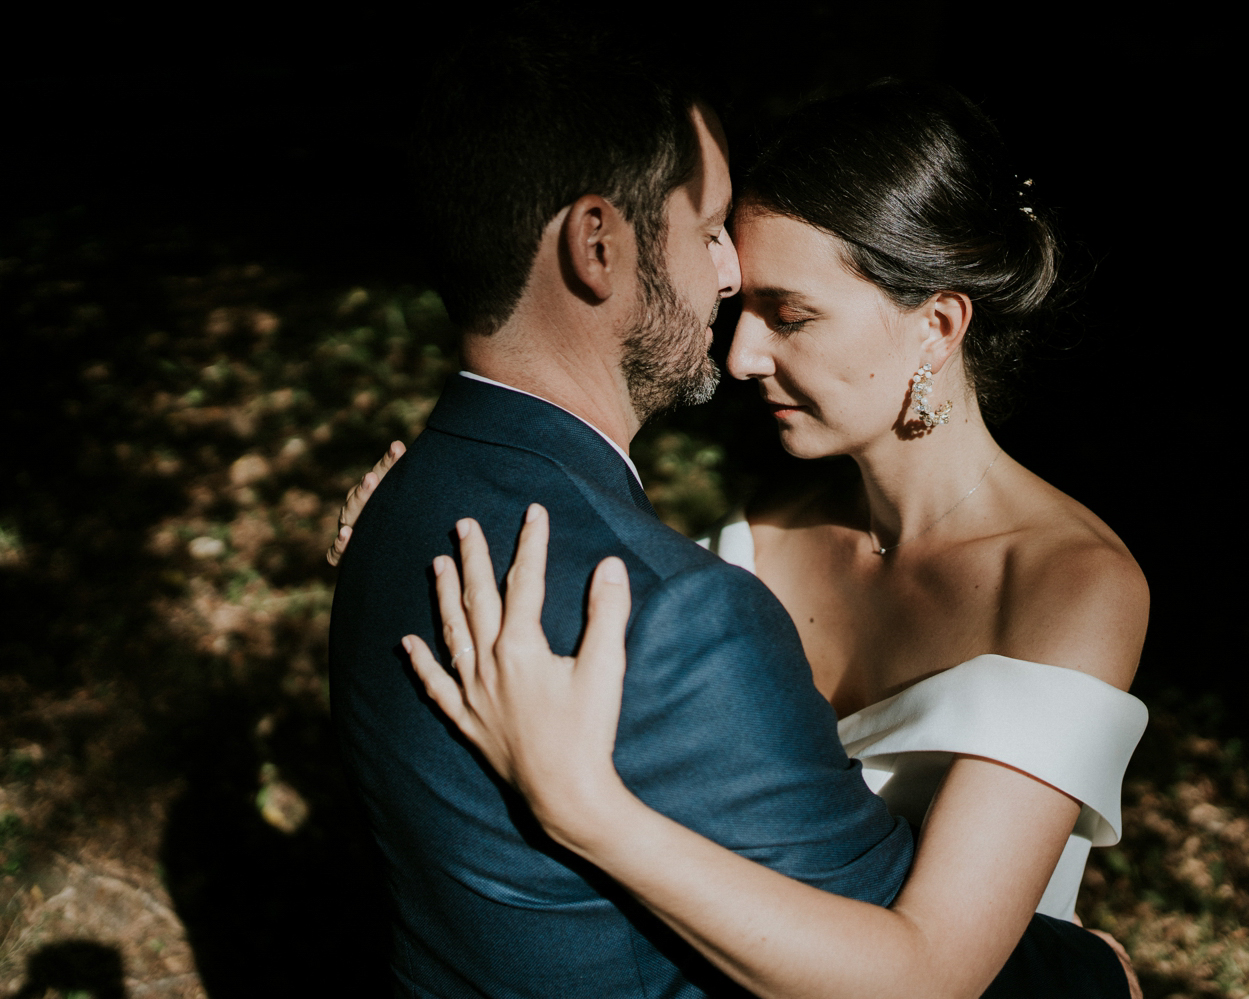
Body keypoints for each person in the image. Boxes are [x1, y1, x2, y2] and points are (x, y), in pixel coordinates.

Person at [327, 14, 1131, 999]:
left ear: (938, 325)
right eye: (742, 303)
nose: (741, 356)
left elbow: (932, 976)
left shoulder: (1072, 588)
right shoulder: (764, 533)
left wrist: (586, 809)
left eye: (789, 317)